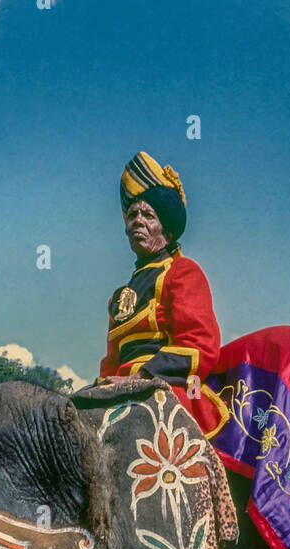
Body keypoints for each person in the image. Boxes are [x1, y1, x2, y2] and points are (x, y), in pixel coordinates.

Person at [99, 151, 228, 438]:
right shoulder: (117, 297)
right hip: (118, 391)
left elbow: (199, 345)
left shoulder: (182, 272)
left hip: (164, 390)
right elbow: (111, 361)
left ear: (165, 230)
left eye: (148, 215)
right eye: (132, 215)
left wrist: (140, 378)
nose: (137, 221)